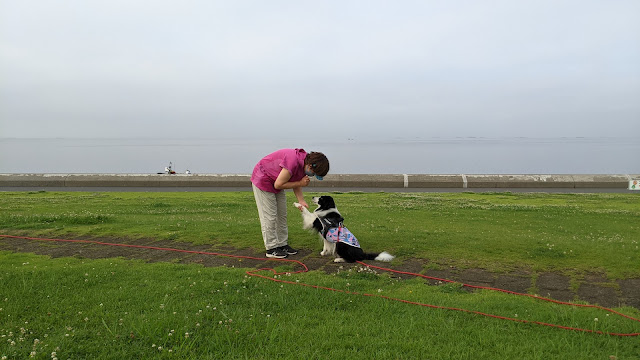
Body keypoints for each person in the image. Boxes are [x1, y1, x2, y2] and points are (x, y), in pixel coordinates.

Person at [251, 148, 330, 258]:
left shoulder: (304, 163)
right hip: (263, 179)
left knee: (282, 215)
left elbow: (295, 181)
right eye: (314, 174)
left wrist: (301, 200)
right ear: (311, 166)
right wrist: (300, 183)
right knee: (270, 217)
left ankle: (282, 244)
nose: (312, 176)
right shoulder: (293, 161)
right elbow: (279, 184)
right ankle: (271, 248)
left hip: (275, 180)